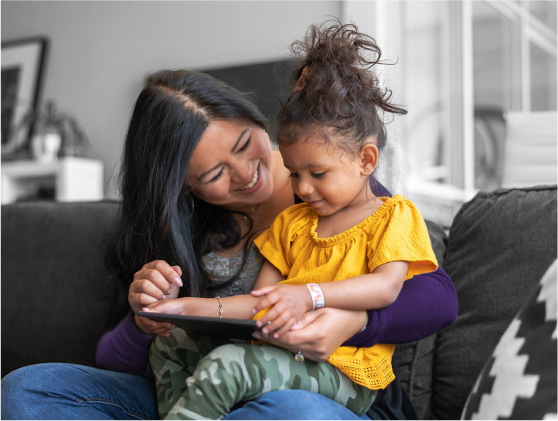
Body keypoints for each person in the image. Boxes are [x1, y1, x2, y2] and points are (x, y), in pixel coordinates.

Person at [0, 22, 458, 421]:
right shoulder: (185, 228)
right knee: (27, 391)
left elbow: (437, 299)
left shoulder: (336, 183)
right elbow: (115, 359)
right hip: (204, 392)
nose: (246, 174)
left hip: (322, 394)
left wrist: (351, 321)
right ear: (182, 188)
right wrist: (148, 318)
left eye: (245, 144)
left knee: (289, 411)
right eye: (215, 174)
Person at [145, 20, 439, 420]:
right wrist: (182, 309)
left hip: (346, 373)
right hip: (281, 355)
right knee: (170, 342)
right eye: (294, 172)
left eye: (317, 174)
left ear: (365, 160)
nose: (303, 187)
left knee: (227, 366)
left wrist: (313, 297)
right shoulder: (294, 223)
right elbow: (258, 304)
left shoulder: (392, 214)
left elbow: (388, 288)